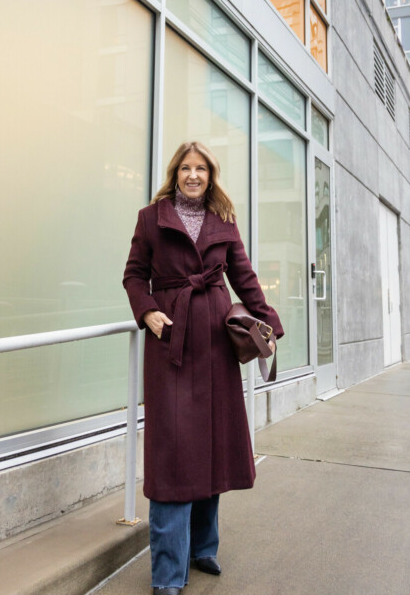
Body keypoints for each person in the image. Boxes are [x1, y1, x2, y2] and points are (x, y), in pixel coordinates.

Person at [123, 141, 284, 595]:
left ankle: (203, 548)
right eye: (185, 168)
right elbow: (134, 274)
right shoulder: (150, 218)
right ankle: (168, 576)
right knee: (173, 456)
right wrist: (148, 311)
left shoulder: (224, 221)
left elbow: (244, 277)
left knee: (211, 446)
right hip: (172, 341)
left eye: (201, 169)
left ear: (211, 176)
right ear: (175, 173)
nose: (193, 175)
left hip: (214, 344)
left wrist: (269, 323)